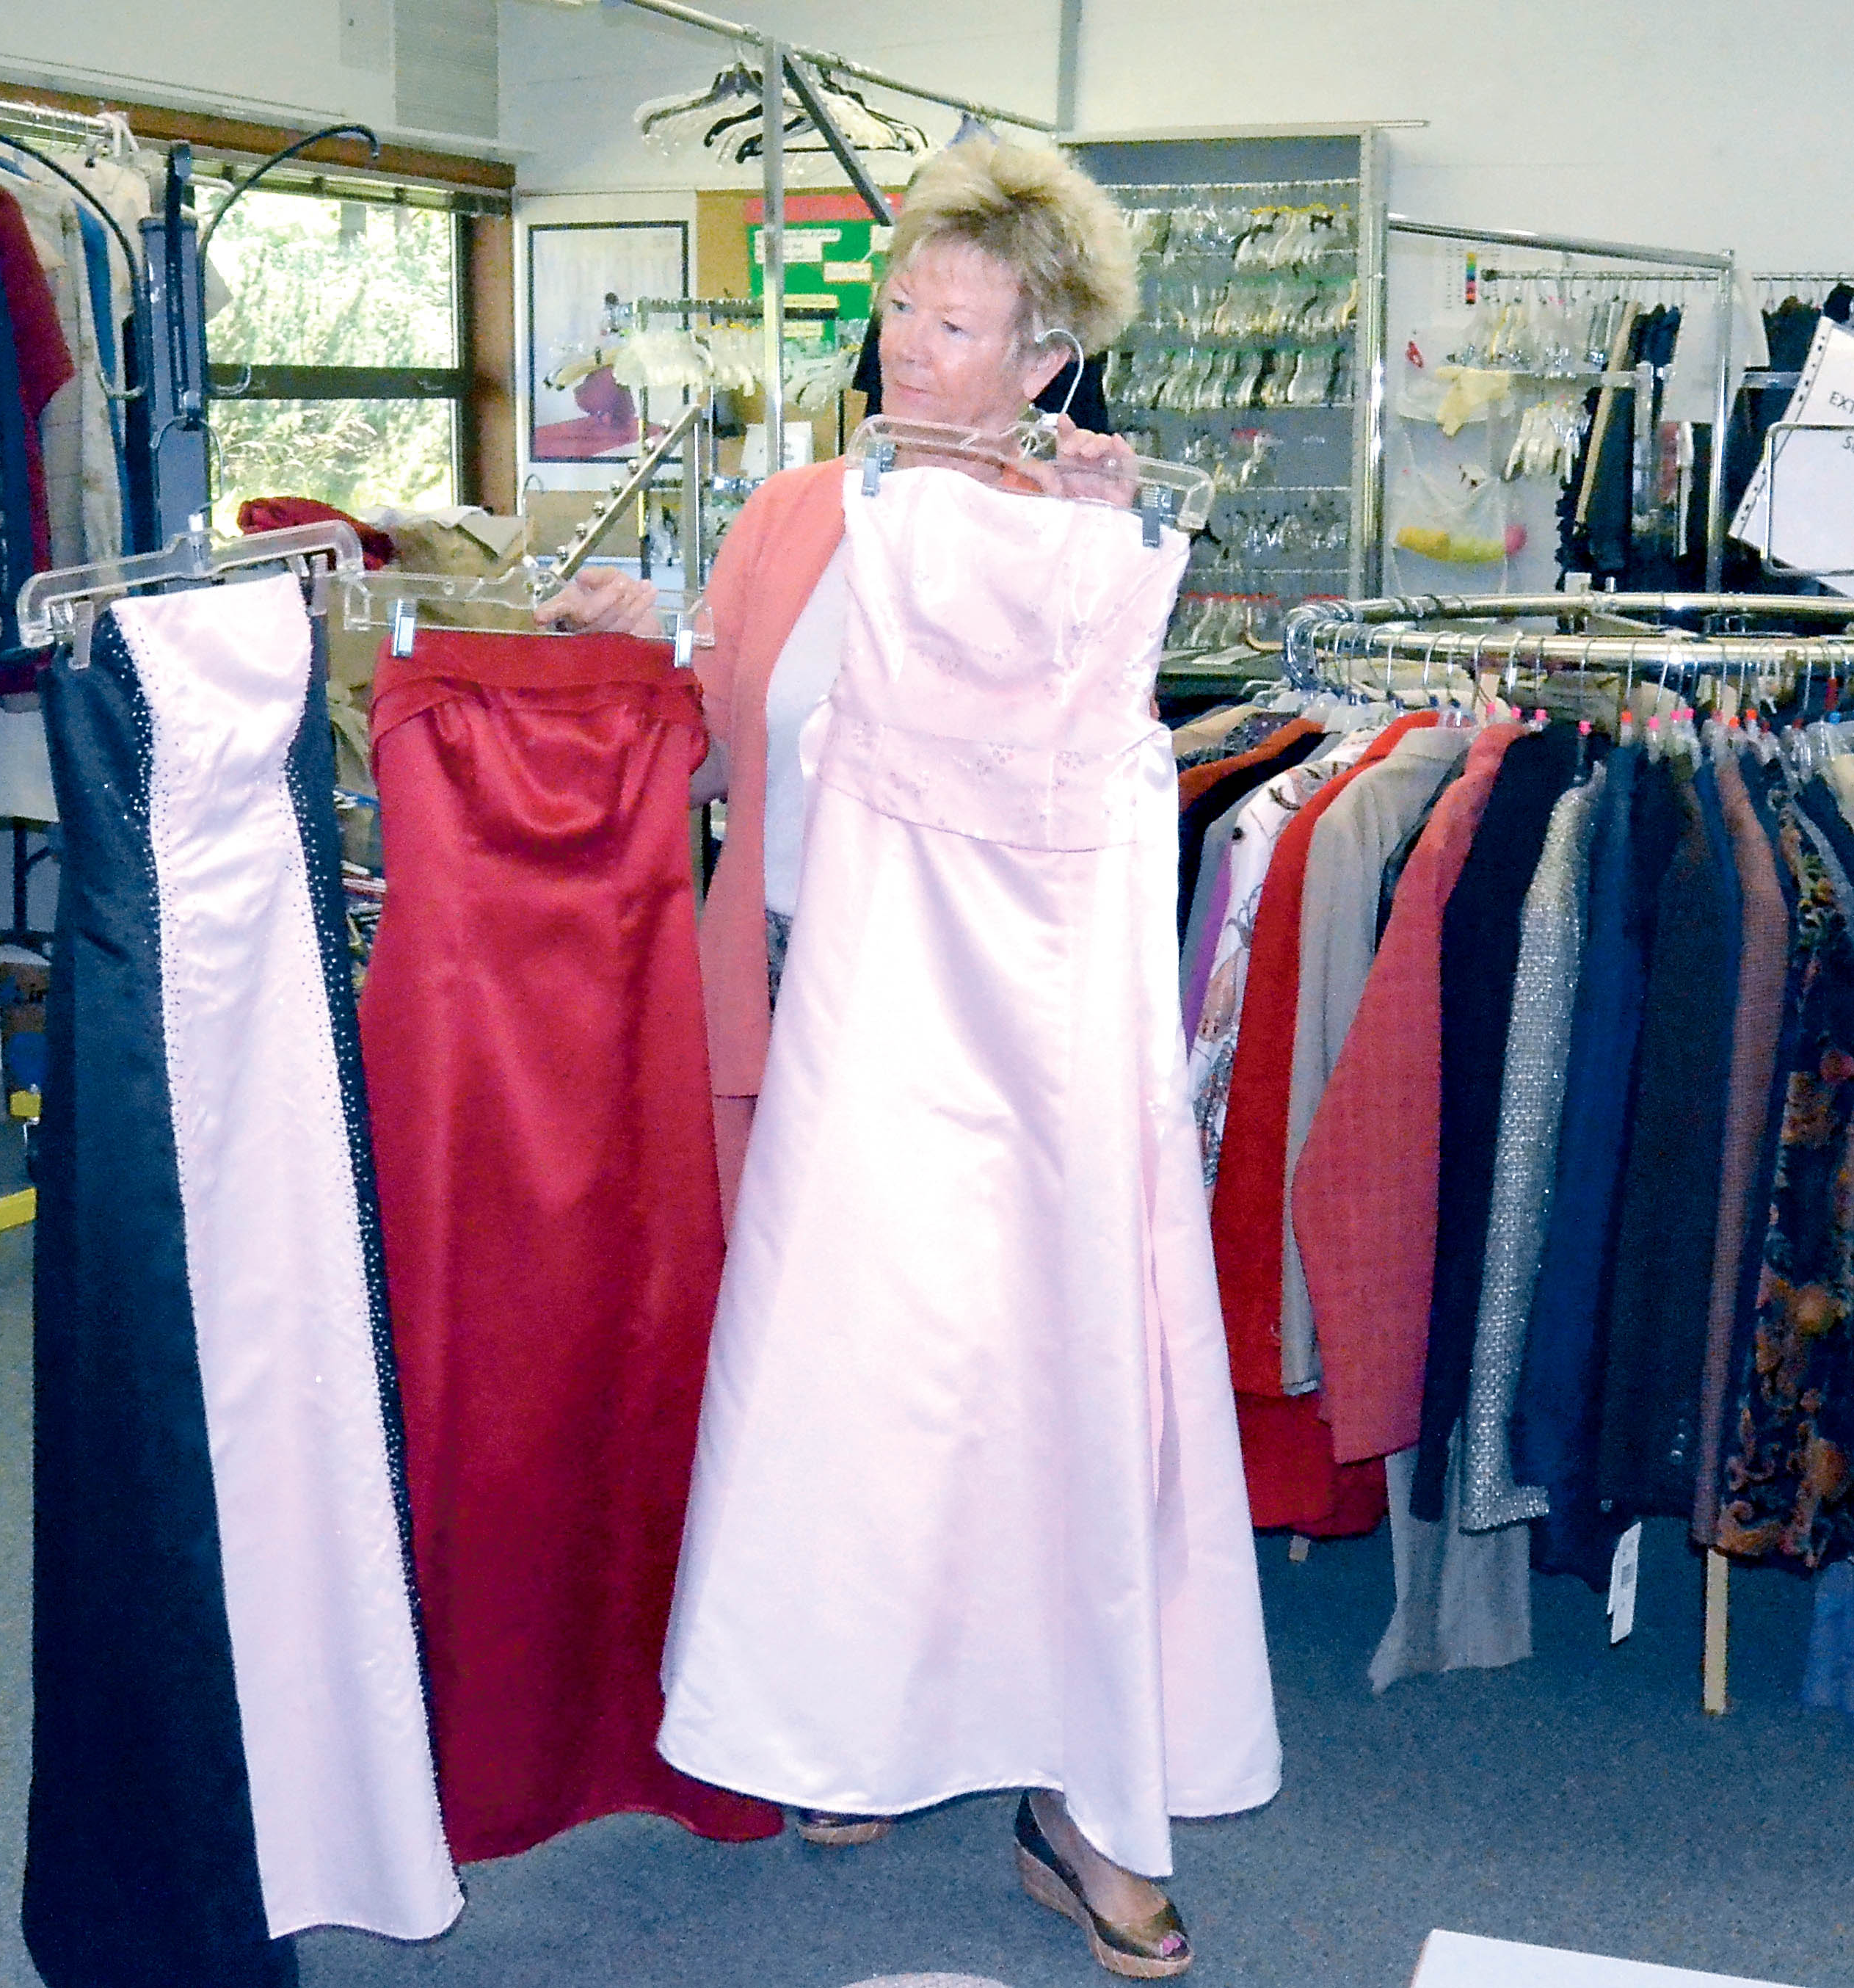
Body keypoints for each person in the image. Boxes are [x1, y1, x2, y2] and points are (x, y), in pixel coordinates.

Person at [541, 137, 1279, 1978]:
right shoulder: (808, 506)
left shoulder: (1098, 532)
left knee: (1043, 1398)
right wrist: (657, 655)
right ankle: (852, 1717)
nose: (904, 355)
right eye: (893, 313)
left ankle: (1078, 1790)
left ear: (1045, 359)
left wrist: (1096, 526)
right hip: (808, 1016)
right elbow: (723, 738)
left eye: (950, 326)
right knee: (846, 1393)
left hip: (1031, 1071)